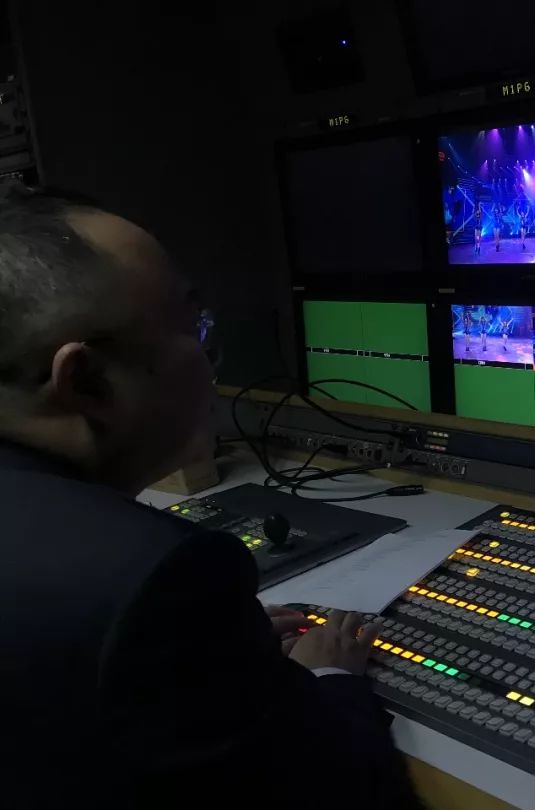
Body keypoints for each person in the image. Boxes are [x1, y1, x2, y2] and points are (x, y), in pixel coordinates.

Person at [0, 183, 420, 807]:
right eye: (190, 326)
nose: (208, 354)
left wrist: (215, 658)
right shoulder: (160, 580)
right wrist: (326, 675)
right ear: (87, 382)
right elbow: (351, 796)